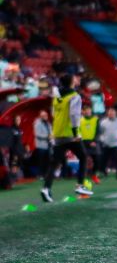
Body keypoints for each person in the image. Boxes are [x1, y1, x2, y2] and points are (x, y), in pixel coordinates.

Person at [41, 74, 92, 202]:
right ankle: (80, 185)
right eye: (74, 79)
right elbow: (74, 115)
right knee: (84, 157)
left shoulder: (56, 97)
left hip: (57, 134)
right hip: (70, 134)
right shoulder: (75, 96)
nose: (76, 80)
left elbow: (54, 113)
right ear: (71, 82)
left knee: (55, 163)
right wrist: (76, 133)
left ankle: (46, 189)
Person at [99, 106, 117, 179]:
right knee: (103, 160)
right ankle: (104, 173)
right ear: (108, 113)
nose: (111, 113)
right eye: (110, 112)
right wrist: (102, 139)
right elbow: (100, 132)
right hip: (106, 144)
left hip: (116, 144)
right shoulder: (103, 122)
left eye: (112, 112)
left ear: (115, 113)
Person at [80, 104, 101, 184]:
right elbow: (79, 133)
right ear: (83, 112)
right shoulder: (80, 121)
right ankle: (83, 179)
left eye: (89, 110)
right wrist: (88, 142)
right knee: (84, 161)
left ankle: (94, 175)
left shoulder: (96, 119)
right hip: (84, 143)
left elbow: (98, 131)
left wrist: (94, 141)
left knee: (97, 160)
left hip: (94, 143)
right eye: (86, 110)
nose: (88, 111)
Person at [33, 110, 53, 178]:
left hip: (48, 145)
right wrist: (47, 137)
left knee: (47, 160)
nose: (45, 117)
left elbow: (51, 132)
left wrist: (51, 136)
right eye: (43, 115)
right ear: (40, 116)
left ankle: (46, 174)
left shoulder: (48, 123)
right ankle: (40, 174)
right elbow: (37, 134)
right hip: (41, 145)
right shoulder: (37, 123)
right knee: (41, 161)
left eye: (46, 115)